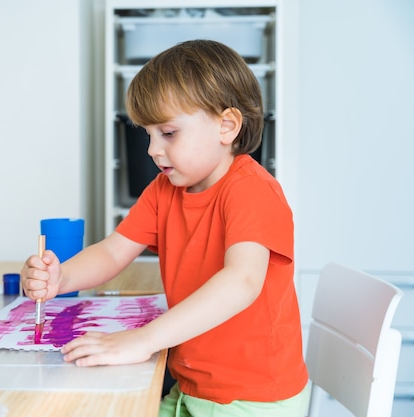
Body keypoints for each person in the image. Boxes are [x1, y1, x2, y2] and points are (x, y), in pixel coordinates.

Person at [21, 40, 309, 417]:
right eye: (148, 134)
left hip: (251, 399)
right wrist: (62, 277)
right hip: (192, 387)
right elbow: (113, 251)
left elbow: (242, 282)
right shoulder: (164, 191)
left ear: (226, 126)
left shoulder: (252, 190)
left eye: (168, 133)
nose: (152, 150)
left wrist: (144, 340)